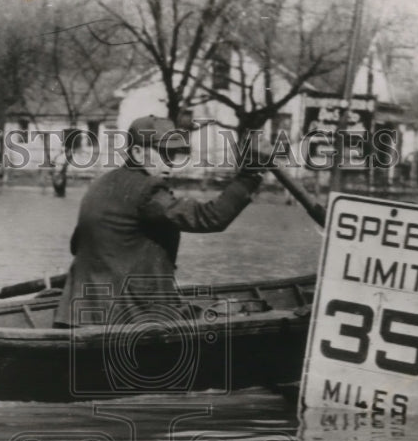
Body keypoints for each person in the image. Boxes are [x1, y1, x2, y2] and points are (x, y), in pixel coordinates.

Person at [53, 115, 265, 328]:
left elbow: (76, 245)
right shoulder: (148, 190)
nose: (170, 163)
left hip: (76, 313)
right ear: (136, 152)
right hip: (127, 317)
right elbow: (210, 218)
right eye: (163, 153)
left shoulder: (99, 185)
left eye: (173, 154)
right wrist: (250, 176)